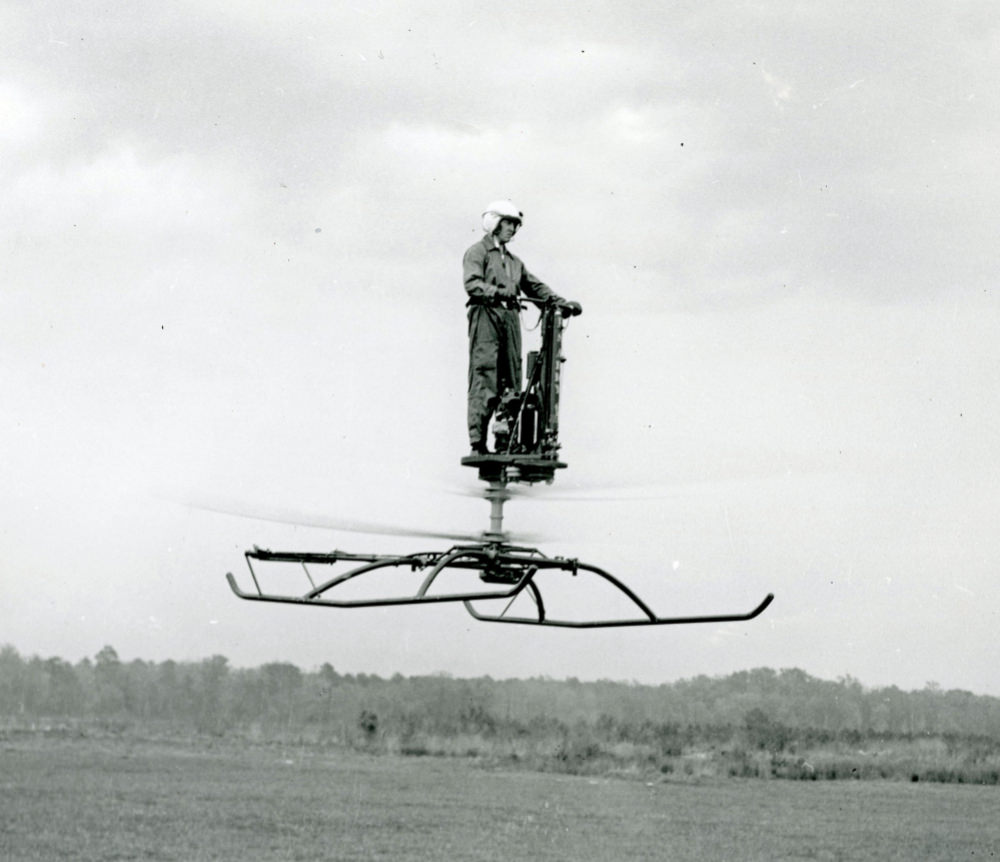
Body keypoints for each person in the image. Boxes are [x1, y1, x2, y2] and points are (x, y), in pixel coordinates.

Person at [463, 200, 582, 455]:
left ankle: (505, 439)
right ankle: (478, 443)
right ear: (495, 222)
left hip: (510, 319)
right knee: (485, 376)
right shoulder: (478, 253)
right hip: (486, 315)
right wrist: (497, 292)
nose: (512, 230)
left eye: (516, 226)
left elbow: (534, 286)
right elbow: (472, 284)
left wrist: (561, 304)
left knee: (511, 377)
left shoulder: (515, 262)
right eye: (509, 224)